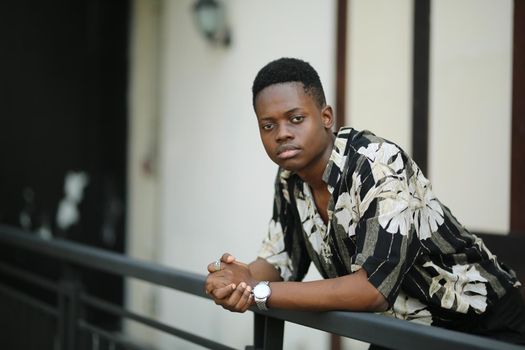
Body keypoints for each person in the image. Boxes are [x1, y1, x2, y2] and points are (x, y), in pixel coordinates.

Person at [204, 57, 525, 346]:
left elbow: (372, 289)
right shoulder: (289, 179)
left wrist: (259, 292)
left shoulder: (377, 164)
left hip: (484, 327)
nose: (282, 134)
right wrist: (236, 279)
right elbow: (280, 261)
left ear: (326, 116)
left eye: (296, 119)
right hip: (407, 328)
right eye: (268, 125)